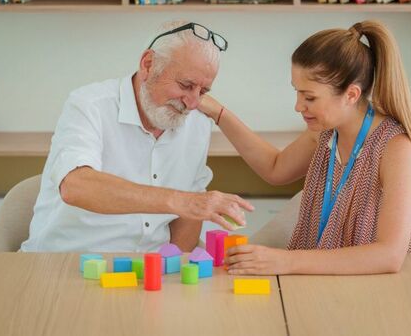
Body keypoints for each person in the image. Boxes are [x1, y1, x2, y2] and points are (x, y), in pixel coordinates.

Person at [198, 20, 411, 275]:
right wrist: (217, 112)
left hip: (391, 289)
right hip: (333, 281)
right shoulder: (325, 133)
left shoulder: (395, 148)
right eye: (297, 92)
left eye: (310, 97)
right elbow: (275, 168)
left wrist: (285, 261)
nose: (298, 106)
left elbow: (388, 256)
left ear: (351, 95)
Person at [20, 21, 254, 253]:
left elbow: (188, 218)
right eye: (185, 85)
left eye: (202, 92)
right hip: (67, 263)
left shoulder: (197, 122)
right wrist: (183, 201)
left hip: (147, 271)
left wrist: (171, 269)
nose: (192, 103)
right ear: (148, 64)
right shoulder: (89, 105)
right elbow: (76, 186)